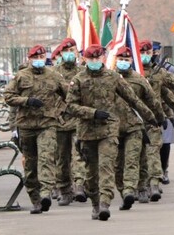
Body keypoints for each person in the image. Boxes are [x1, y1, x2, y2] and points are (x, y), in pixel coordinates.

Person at [65, 44, 157, 221]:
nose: (94, 61)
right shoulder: (78, 80)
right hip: (87, 132)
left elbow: (132, 98)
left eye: (97, 58)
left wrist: (150, 116)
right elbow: (70, 106)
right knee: (91, 173)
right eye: (91, 58)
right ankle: (95, 203)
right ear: (85, 59)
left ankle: (105, 204)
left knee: (106, 167)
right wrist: (92, 113)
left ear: (103, 58)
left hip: (108, 130)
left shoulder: (113, 77)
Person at [2, 45, 68, 214]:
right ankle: (36, 199)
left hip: (47, 124)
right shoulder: (21, 76)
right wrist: (26, 101)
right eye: (35, 58)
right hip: (27, 125)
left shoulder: (54, 76)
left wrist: (59, 111)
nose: (39, 60)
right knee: (31, 164)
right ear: (29, 59)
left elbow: (70, 95)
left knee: (46, 158)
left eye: (41, 57)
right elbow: (8, 96)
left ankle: (46, 193)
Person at [113, 46, 164, 210]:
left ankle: (133, 189)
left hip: (135, 127)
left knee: (133, 159)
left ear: (131, 61)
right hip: (113, 128)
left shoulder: (139, 79)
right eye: (120, 59)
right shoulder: (108, 79)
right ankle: (125, 189)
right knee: (117, 164)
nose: (123, 62)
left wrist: (159, 117)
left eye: (126, 59)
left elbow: (152, 100)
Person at [140, 40, 174, 188]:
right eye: (142, 52)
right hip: (136, 118)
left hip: (159, 115)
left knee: (160, 146)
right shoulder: (131, 72)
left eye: (149, 52)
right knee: (138, 152)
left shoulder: (163, 70)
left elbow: (172, 91)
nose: (147, 55)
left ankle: (158, 176)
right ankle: (141, 183)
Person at [52, 38, 85, 205]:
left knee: (78, 153)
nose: (70, 54)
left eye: (72, 50)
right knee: (61, 158)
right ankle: (65, 189)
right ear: (61, 53)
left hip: (79, 120)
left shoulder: (83, 72)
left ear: (77, 52)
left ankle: (79, 185)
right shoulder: (53, 73)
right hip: (60, 121)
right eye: (66, 51)